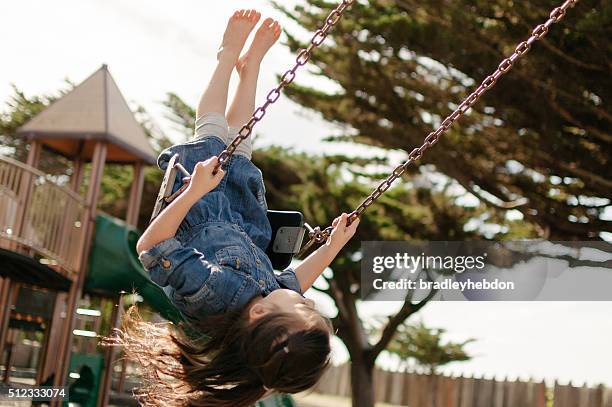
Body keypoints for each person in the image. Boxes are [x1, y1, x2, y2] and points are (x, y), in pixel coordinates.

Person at [117, 10, 359, 407]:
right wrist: (334, 245)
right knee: (241, 142)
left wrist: (193, 191)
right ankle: (252, 69)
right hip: (243, 221)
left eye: (303, 309)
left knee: (212, 131)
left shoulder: (213, 296)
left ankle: (227, 56)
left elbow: (152, 247)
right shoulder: (269, 301)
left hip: (198, 209)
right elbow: (298, 282)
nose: (309, 301)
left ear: (260, 314)